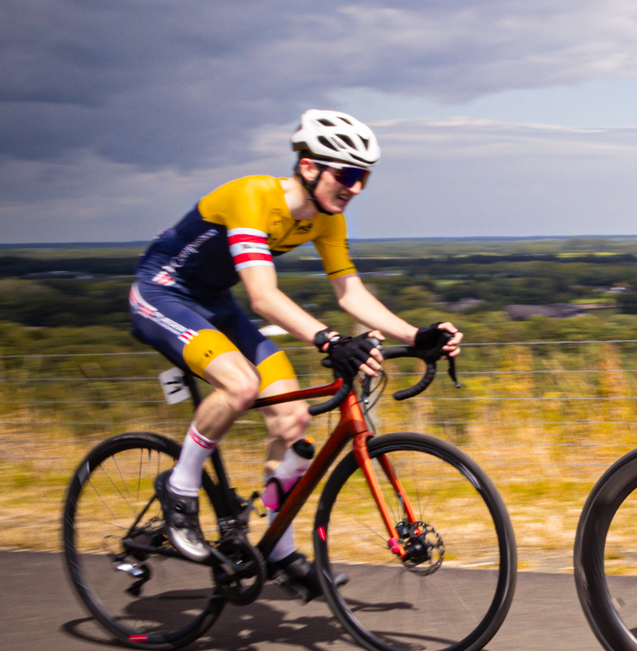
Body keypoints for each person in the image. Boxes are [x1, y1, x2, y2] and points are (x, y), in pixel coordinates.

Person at [128, 110, 460, 592]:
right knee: (241, 385)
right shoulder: (252, 198)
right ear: (309, 168)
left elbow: (351, 295)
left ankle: (276, 550)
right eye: (347, 174)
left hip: (215, 305)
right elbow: (263, 297)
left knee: (293, 418)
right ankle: (179, 488)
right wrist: (329, 340)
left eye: (363, 176)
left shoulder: (327, 220)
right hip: (161, 293)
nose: (356, 188)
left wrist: (416, 336)